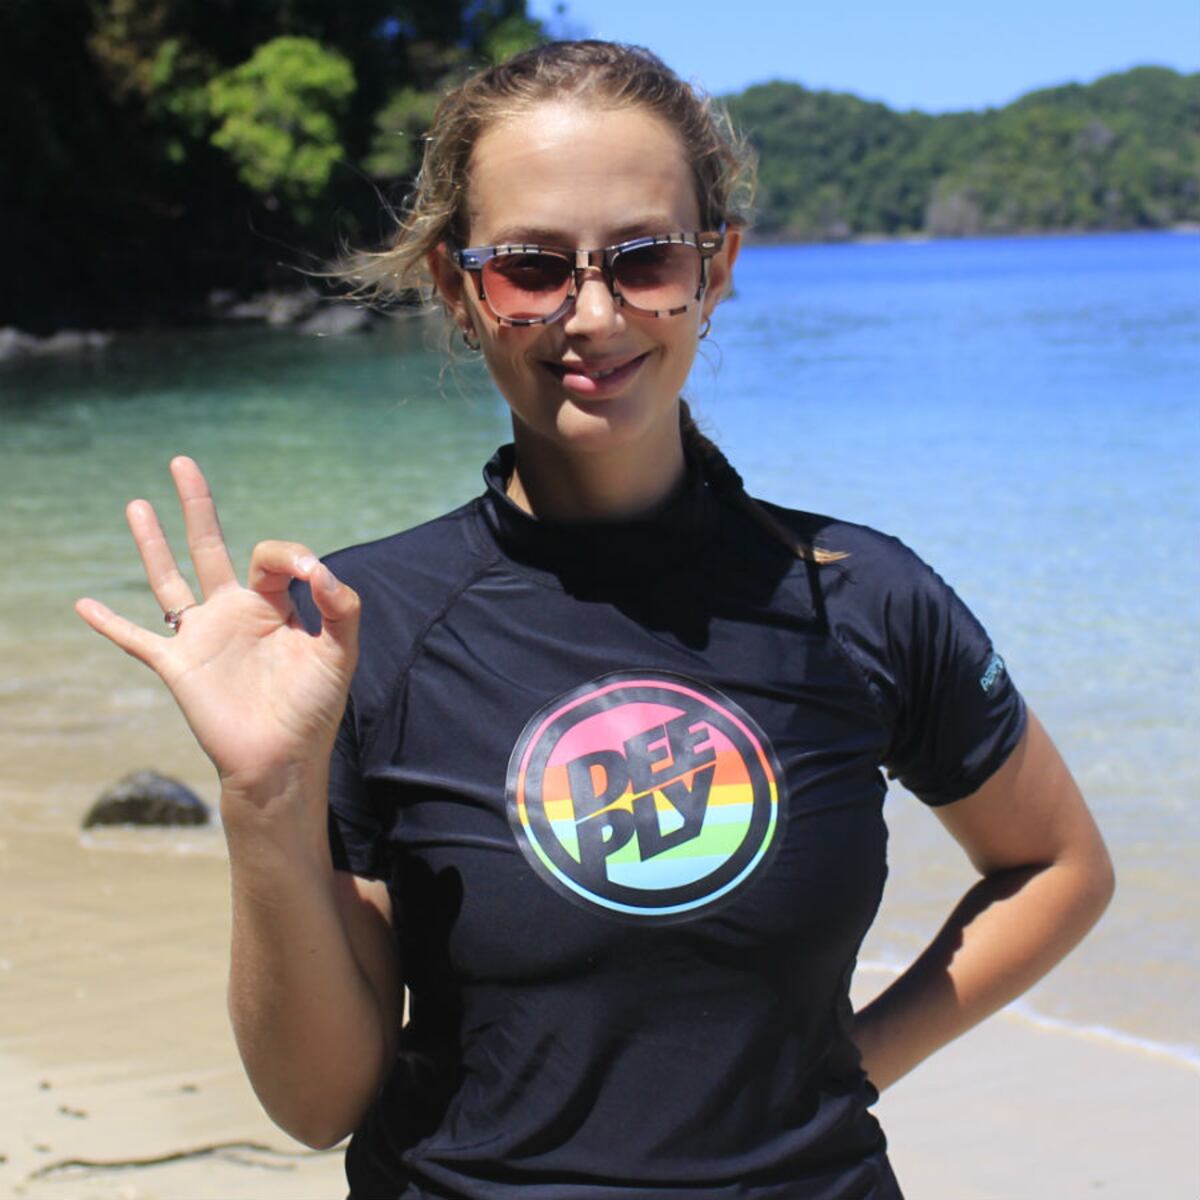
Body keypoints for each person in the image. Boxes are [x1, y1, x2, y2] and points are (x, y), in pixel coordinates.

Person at [75, 40, 1114, 1200]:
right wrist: (265, 803)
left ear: (715, 271)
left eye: (645, 259)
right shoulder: (358, 632)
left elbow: (1057, 867)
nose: (595, 314)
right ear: (458, 290)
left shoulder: (856, 595)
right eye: (531, 267)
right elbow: (318, 1104)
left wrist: (854, 1065)